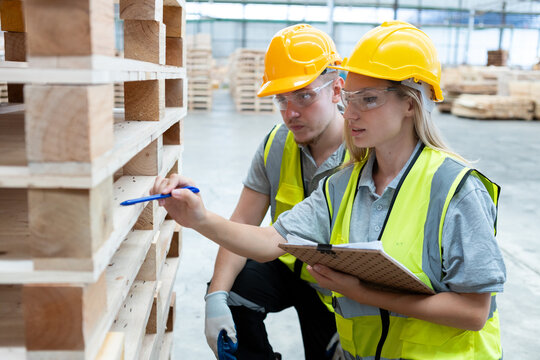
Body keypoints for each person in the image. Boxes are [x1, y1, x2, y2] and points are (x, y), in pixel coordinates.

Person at [153, 21, 506, 359]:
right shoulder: (343, 184)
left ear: (410, 104)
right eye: (351, 99)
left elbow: (474, 311)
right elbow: (268, 241)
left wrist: (363, 294)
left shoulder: (455, 188)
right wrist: (199, 219)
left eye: (367, 100)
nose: (349, 113)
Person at [204, 24, 347, 359]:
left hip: (339, 289)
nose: (290, 112)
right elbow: (242, 224)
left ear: (337, 90)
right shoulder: (276, 144)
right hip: (286, 265)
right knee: (232, 288)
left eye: (304, 96)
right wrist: (216, 296)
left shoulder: (365, 153)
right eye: (282, 99)